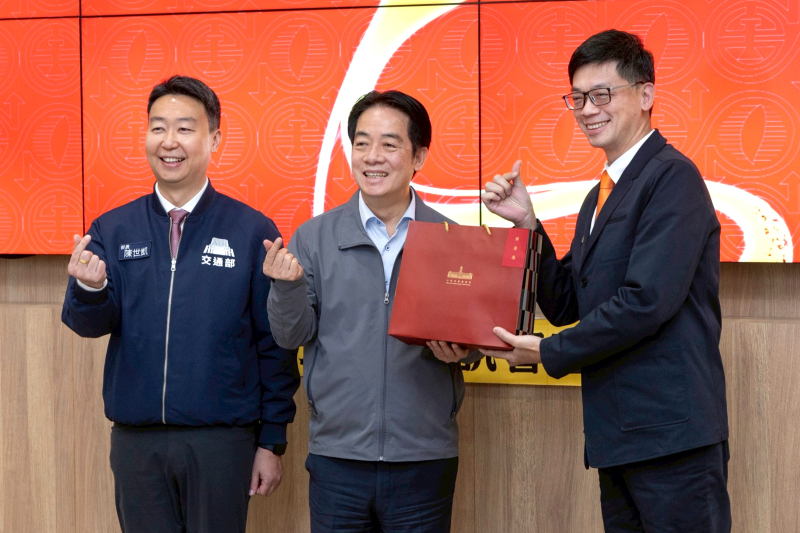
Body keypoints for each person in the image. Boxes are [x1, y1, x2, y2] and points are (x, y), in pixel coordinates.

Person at [479, 30, 731, 532]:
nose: (588, 109)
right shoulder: (600, 195)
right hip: (618, 436)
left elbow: (646, 302)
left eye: (602, 94)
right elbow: (567, 302)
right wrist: (527, 224)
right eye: (577, 98)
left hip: (671, 439)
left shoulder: (672, 177)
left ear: (646, 94)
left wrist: (547, 352)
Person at [62, 75, 299, 533]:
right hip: (137, 442)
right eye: (158, 127)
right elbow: (88, 323)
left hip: (222, 442)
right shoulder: (113, 228)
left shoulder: (251, 230)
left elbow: (275, 344)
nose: (169, 141)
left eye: (185, 128)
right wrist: (91, 288)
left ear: (214, 139)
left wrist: (271, 441)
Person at [263, 90, 478, 533]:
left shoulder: (452, 239)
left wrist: (464, 350)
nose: (372, 156)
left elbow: (473, 339)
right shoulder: (314, 237)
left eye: (389, 144)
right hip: (337, 455)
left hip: (423, 455)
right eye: (361, 143)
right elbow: (290, 336)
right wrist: (285, 288)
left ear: (418, 156)